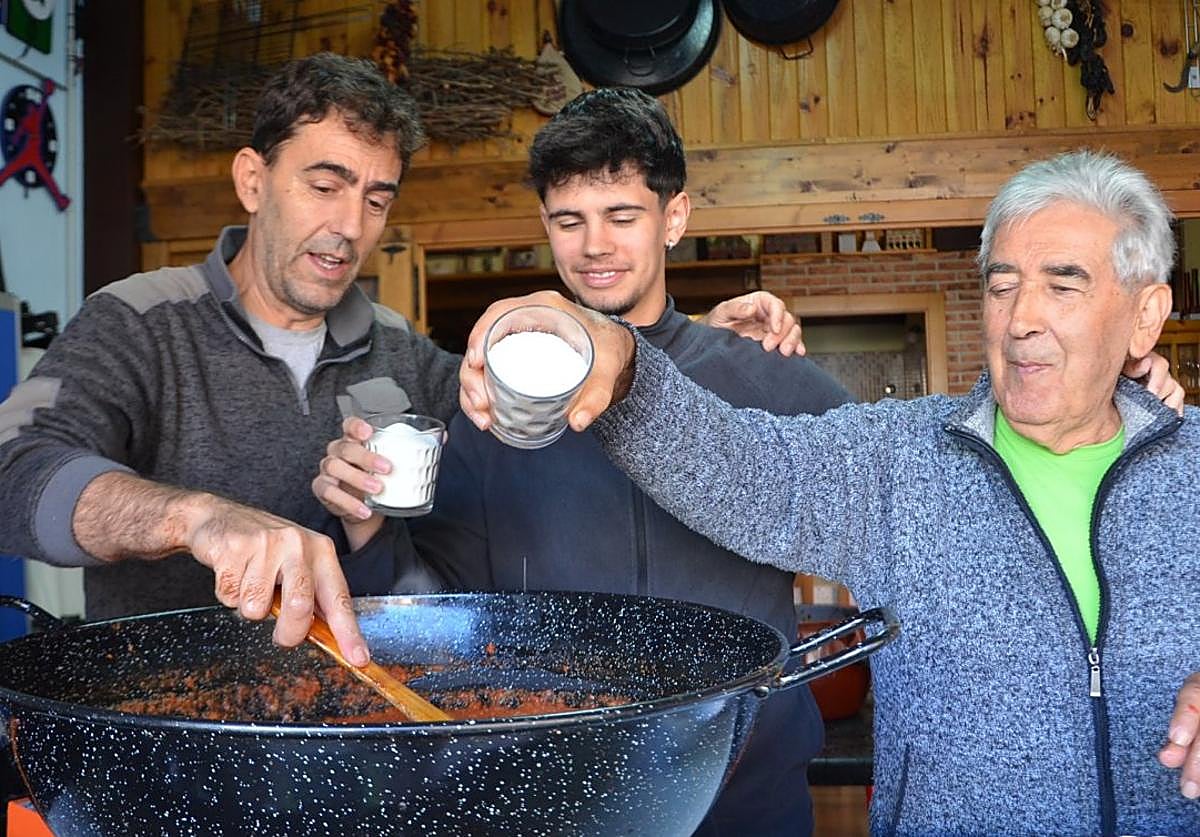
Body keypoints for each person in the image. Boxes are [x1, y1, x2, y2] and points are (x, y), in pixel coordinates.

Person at [457, 150, 1200, 835]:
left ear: (1145, 315)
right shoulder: (900, 458)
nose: (1021, 319)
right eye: (1002, 286)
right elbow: (744, 472)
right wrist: (623, 360)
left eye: (1063, 284)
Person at [0, 53, 804, 663]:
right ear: (253, 179)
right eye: (325, 183)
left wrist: (676, 345)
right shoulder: (142, 322)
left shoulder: (404, 356)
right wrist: (192, 518)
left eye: (377, 196)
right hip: (168, 748)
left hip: (358, 756)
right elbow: (12, 469)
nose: (350, 224)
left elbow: (545, 389)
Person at [314, 87, 851, 837]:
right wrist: (368, 530)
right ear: (546, 227)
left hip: (745, 802)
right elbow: (444, 616)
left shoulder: (767, 379)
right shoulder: (490, 408)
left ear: (675, 219)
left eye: (622, 216)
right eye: (570, 220)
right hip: (554, 805)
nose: (595, 245)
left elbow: (887, 526)